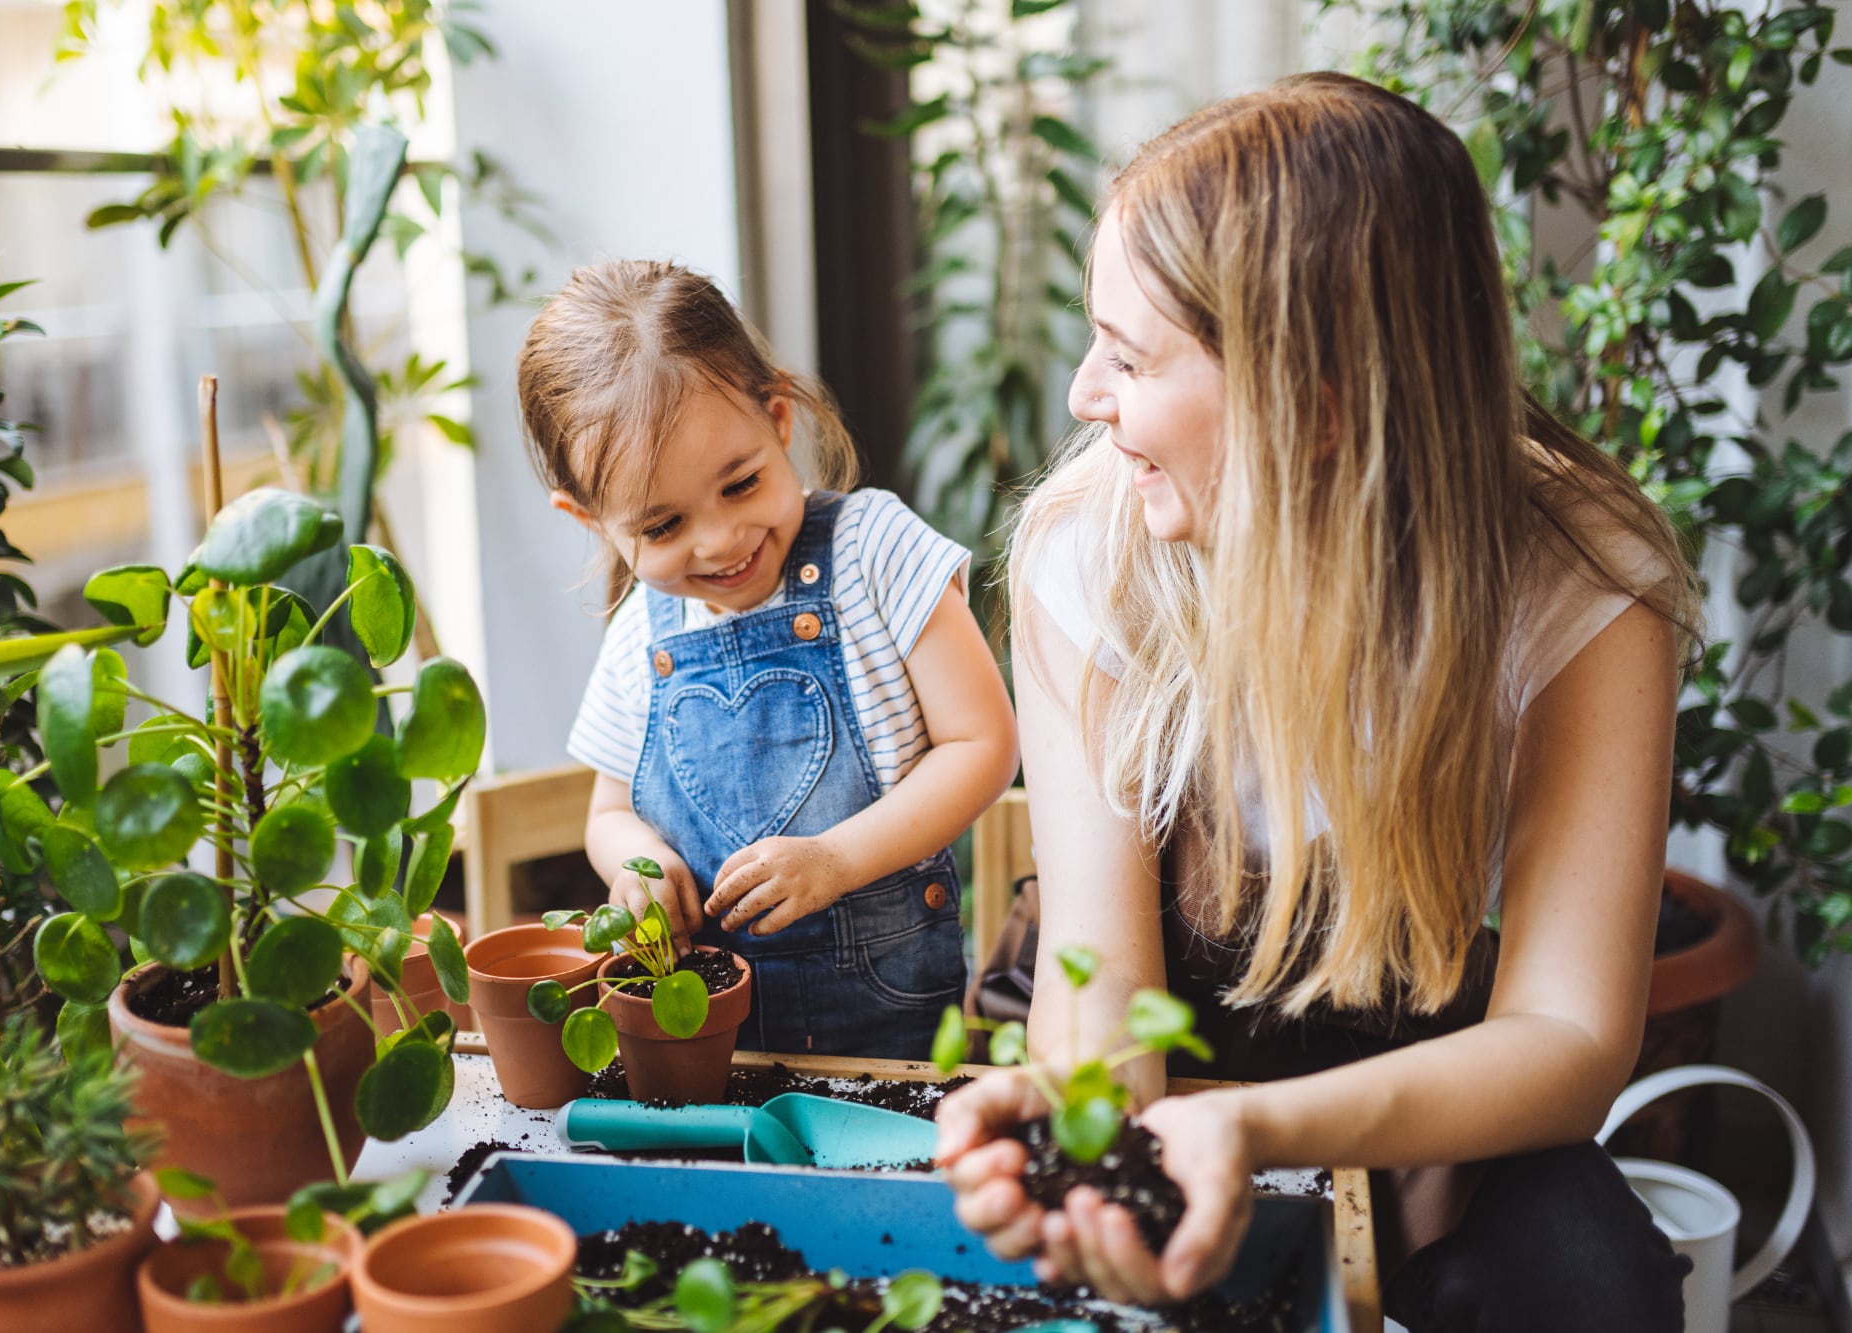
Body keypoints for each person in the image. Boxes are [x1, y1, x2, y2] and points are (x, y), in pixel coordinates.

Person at [933, 73, 1697, 1330]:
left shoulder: (1579, 582)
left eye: (1127, 356)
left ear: (1316, 404)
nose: (1081, 394)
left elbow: (1565, 1032)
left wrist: (1252, 1126)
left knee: (1589, 1288)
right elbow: (1104, 981)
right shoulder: (1090, 545)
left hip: (1417, 1044)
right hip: (1152, 1016)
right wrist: (1094, 1150)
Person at [520, 260, 1019, 1060]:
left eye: (742, 483)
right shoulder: (637, 635)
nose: (719, 541)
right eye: (661, 526)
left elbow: (984, 746)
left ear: (780, 417)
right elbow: (609, 815)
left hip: (888, 1042)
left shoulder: (874, 551)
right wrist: (640, 866)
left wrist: (836, 859)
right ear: (589, 519)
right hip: (714, 1049)